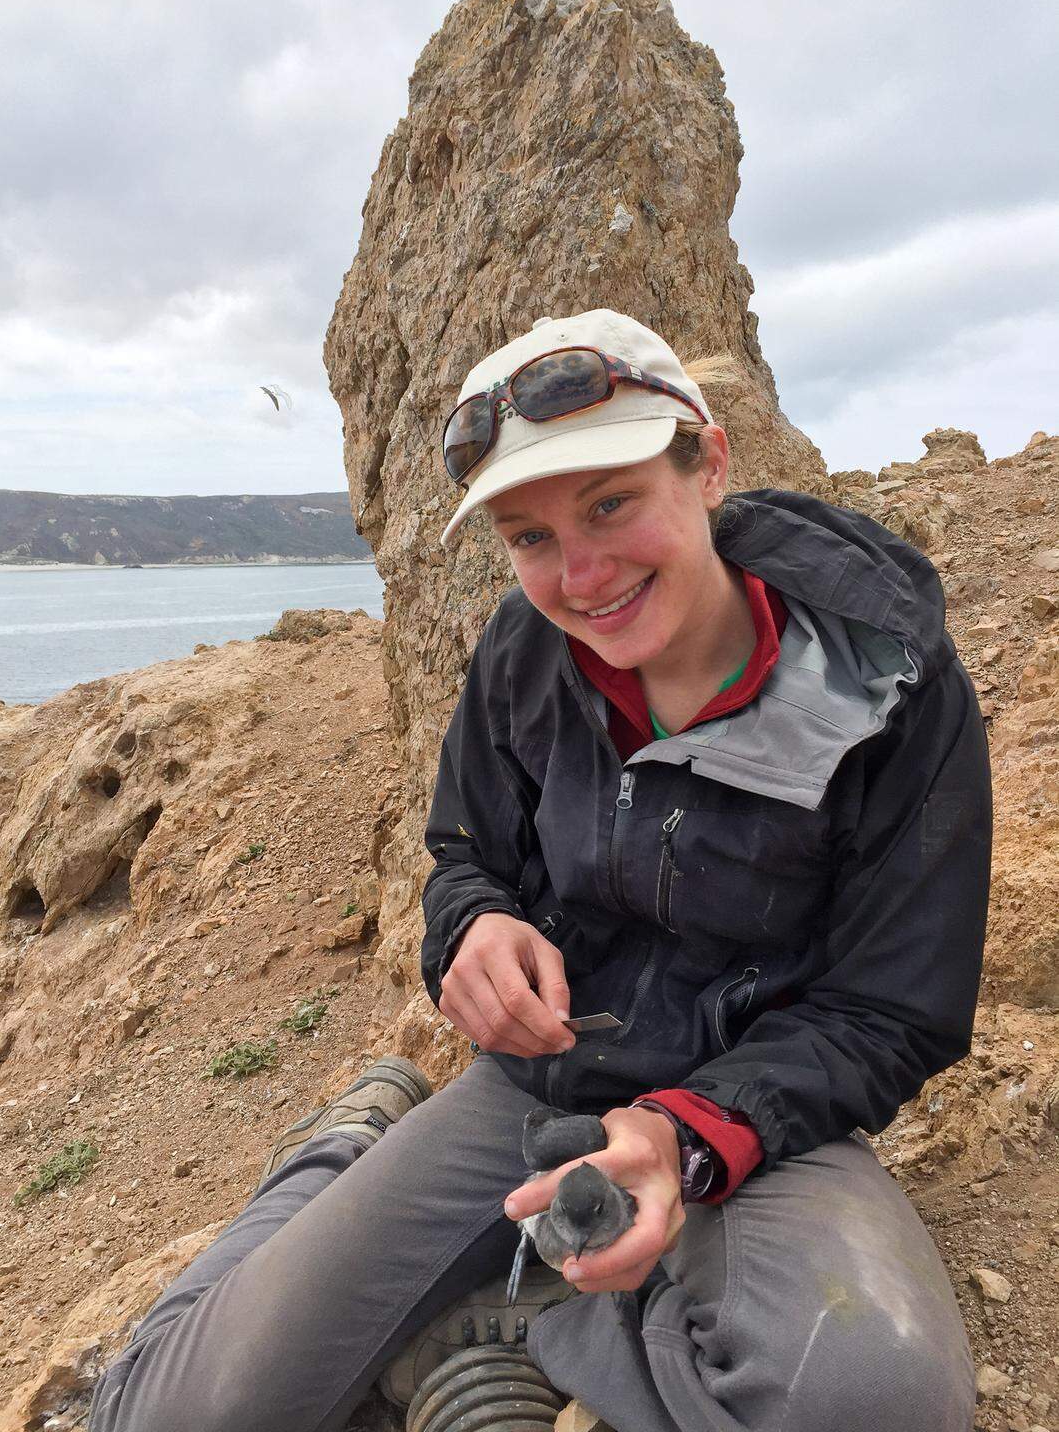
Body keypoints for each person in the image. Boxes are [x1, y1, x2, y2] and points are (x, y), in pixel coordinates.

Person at [89, 309, 990, 1432]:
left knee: (877, 1403)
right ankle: (338, 1152)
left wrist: (683, 1135)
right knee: (166, 1417)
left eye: (610, 504)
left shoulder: (888, 687)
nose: (581, 575)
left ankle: (531, 1327)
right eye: (529, 536)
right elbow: (465, 853)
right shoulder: (523, 650)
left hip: (763, 1115)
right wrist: (471, 927)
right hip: (543, 1084)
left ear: (708, 464)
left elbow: (892, 1009)